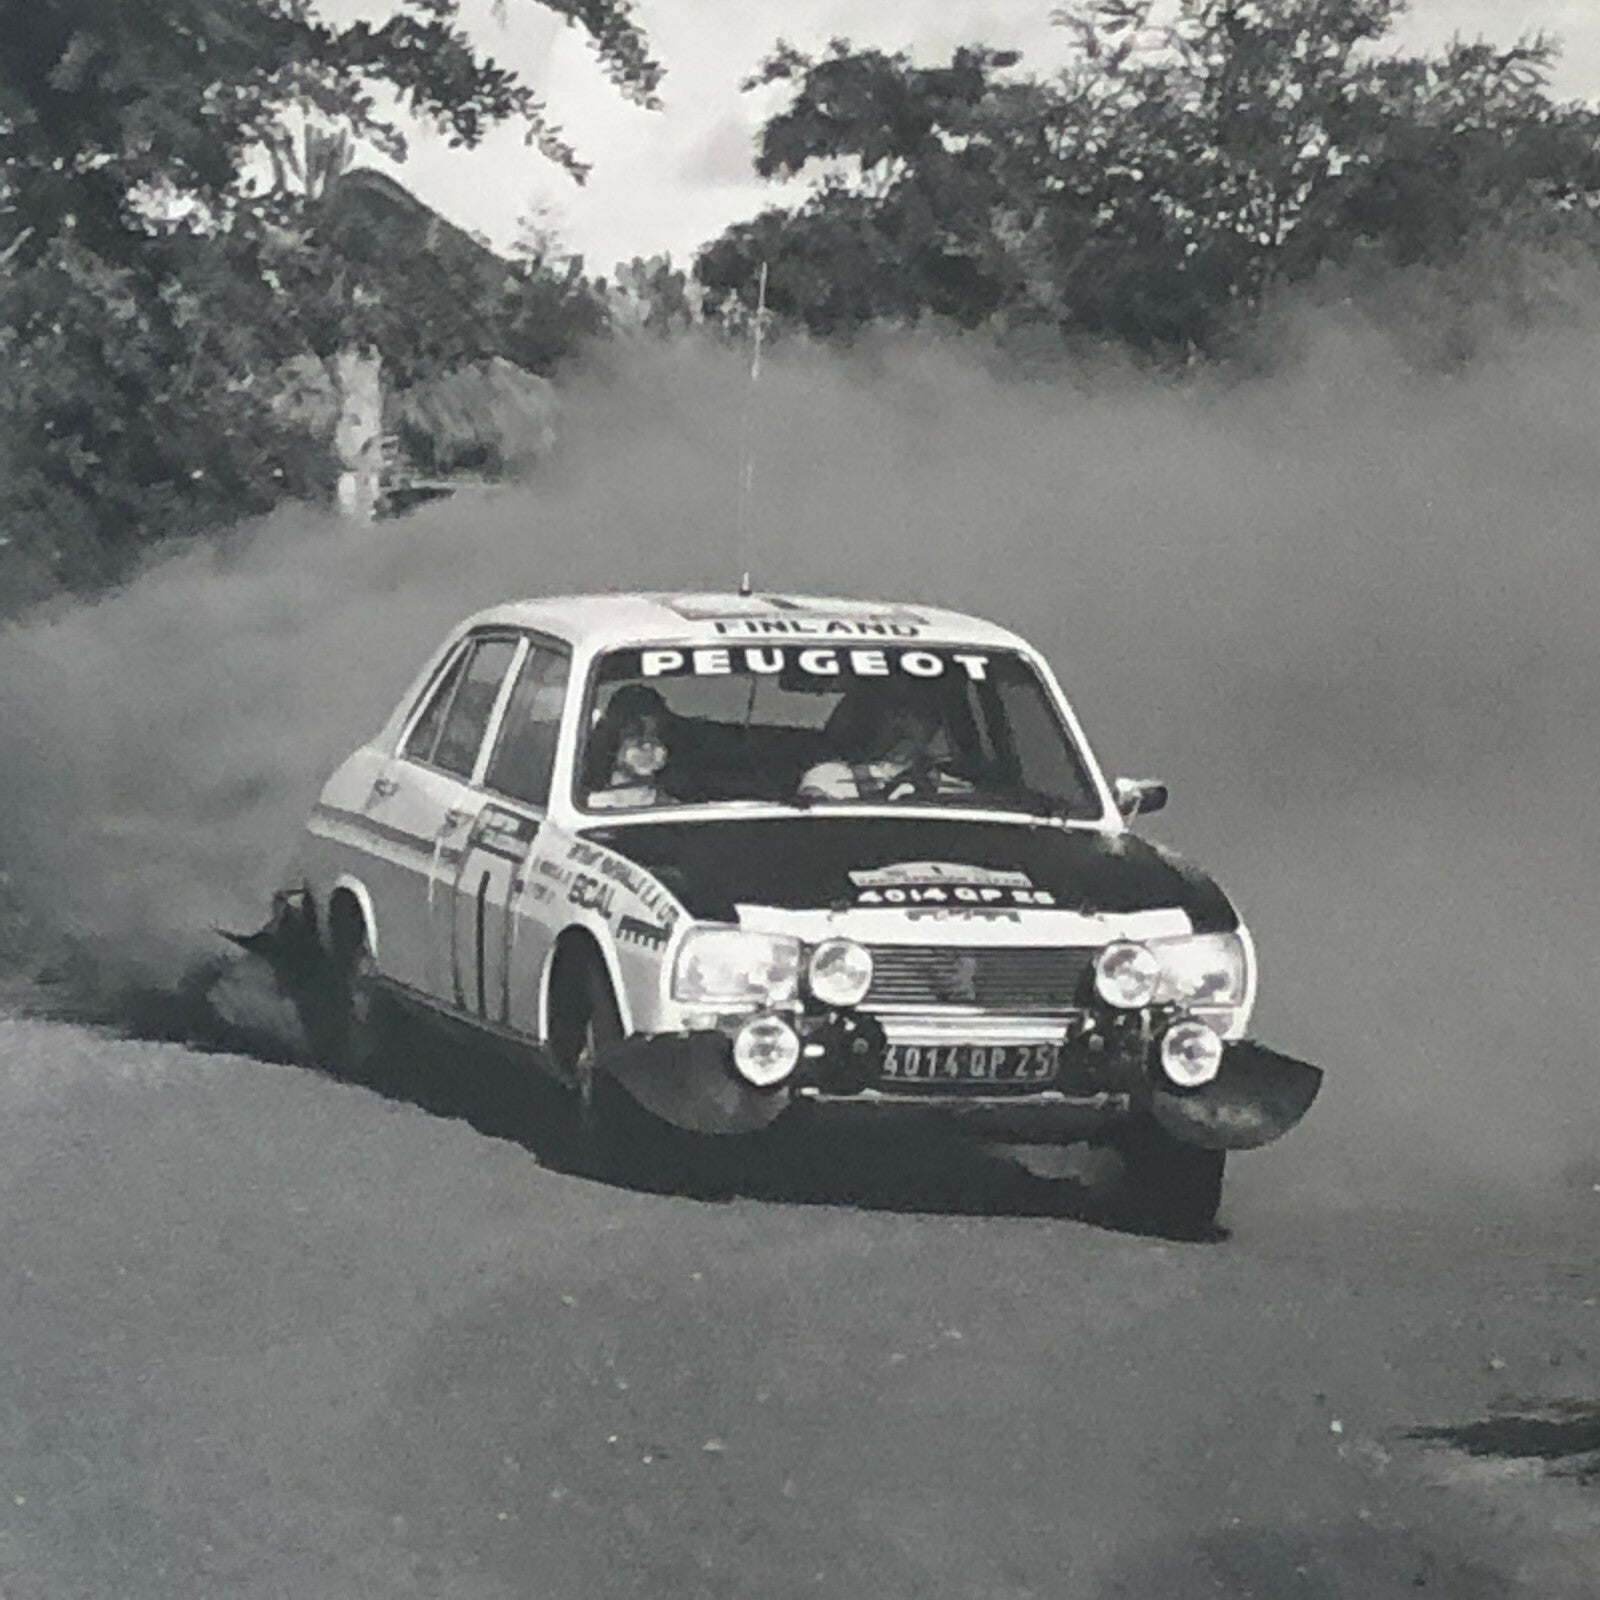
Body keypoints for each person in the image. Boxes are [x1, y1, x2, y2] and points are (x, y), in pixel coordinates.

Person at [797, 681, 973, 802]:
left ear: (934, 725)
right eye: (895, 712)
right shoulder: (831, 777)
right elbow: (813, 816)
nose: (904, 723)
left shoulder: (953, 789)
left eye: (918, 712)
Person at [586, 685, 672, 809]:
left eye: (653, 735)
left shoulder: (672, 806)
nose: (647, 747)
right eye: (633, 735)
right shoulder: (590, 803)